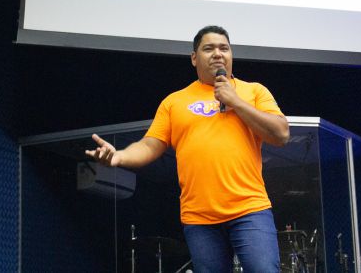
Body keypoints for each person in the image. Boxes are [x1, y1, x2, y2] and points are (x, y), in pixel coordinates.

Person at [86, 25, 289, 273]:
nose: (218, 54)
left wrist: (235, 101)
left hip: (250, 209)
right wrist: (119, 157)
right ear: (194, 58)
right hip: (200, 218)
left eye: (224, 48)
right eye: (209, 48)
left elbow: (281, 134)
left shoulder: (254, 91)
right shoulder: (174, 102)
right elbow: (150, 145)